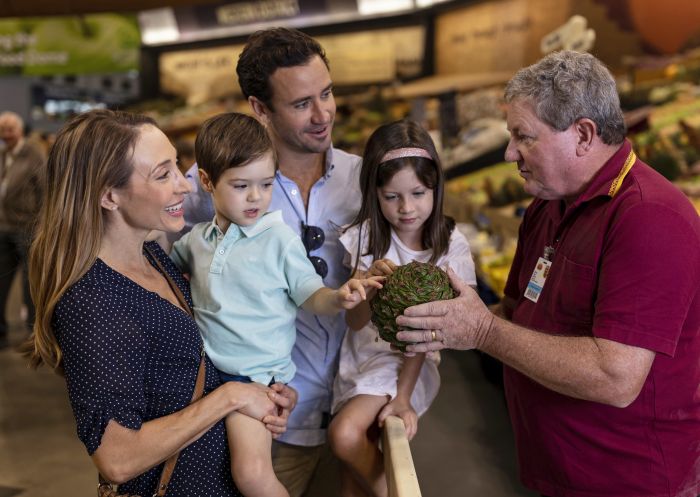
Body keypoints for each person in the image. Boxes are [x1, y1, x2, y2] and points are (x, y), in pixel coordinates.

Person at [396, 51, 700, 497]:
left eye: (524, 137)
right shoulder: (547, 205)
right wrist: (446, 318)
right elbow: (517, 311)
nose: (509, 152)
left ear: (582, 135)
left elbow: (616, 378)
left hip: (630, 479)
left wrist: (481, 330)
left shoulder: (649, 218)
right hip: (561, 469)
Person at [23, 109, 297, 496]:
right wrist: (229, 398)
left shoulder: (153, 256)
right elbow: (118, 458)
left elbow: (189, 366)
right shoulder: (95, 302)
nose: (184, 187)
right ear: (109, 195)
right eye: (162, 174)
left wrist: (262, 388)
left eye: (177, 167)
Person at [176, 28, 364, 495]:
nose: (323, 115)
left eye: (327, 93)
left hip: (355, 410)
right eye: (301, 104)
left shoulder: (365, 180)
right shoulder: (211, 184)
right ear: (260, 109)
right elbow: (163, 265)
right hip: (268, 418)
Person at [328, 119, 476, 497]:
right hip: (358, 355)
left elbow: (426, 337)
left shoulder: (449, 246)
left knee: (345, 435)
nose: (407, 208)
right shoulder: (364, 237)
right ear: (375, 194)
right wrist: (369, 287)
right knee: (349, 480)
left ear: (435, 188)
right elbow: (356, 321)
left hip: (409, 362)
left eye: (418, 192)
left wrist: (403, 398)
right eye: (392, 196)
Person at [0, 111, 45, 349]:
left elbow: (45, 191)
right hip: (2, 227)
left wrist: (40, 224)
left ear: (19, 130)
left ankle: (35, 335)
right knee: (1, 282)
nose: (6, 134)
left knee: (31, 283)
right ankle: (1, 330)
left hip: (26, 228)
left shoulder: (33, 153)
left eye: (10, 129)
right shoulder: (3, 154)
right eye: (3, 129)